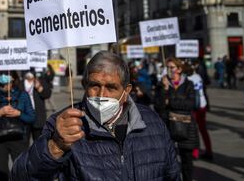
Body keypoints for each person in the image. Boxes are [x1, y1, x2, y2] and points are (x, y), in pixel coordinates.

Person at [12, 51, 180, 180]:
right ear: (85, 85)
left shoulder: (152, 122)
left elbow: (172, 175)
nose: (101, 94)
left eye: (111, 87)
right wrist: (55, 147)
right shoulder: (63, 124)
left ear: (126, 90)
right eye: (94, 85)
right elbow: (20, 176)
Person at [0, 74, 35, 181]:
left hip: (19, 138)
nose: (5, 86)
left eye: (8, 82)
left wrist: (19, 114)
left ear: (12, 82)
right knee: (1, 173)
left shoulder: (23, 95)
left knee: (21, 172)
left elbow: (32, 118)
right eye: (2, 83)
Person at [154, 57, 199, 181]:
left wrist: (171, 101)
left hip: (185, 126)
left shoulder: (188, 84)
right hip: (168, 126)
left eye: (172, 67)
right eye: (167, 67)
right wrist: (165, 89)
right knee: (169, 162)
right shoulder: (162, 84)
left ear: (179, 69)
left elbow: (190, 104)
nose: (169, 70)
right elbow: (159, 106)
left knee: (187, 161)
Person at [186, 63, 213, 160]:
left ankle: (195, 152)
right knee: (203, 129)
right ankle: (208, 150)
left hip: (194, 107)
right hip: (202, 104)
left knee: (194, 129)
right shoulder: (198, 76)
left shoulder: (188, 80)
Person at [21, 71, 52, 140]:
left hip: (38, 118)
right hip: (23, 118)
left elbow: (47, 94)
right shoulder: (20, 83)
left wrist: (39, 88)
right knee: (23, 143)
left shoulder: (40, 81)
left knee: (38, 143)